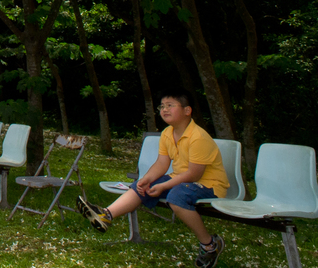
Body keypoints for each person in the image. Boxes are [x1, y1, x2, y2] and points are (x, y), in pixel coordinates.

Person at [77, 90, 229, 268]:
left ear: (187, 111)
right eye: (162, 106)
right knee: (141, 185)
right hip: (182, 180)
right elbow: (162, 163)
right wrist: (146, 178)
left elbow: (194, 174)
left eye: (170, 105)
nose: (164, 110)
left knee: (177, 196)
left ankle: (210, 245)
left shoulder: (198, 137)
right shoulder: (167, 133)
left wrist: (164, 185)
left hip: (208, 185)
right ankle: (106, 215)